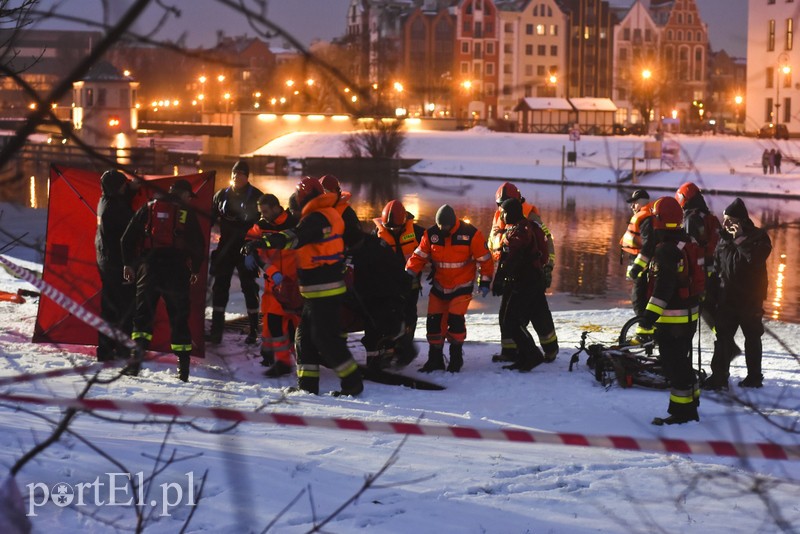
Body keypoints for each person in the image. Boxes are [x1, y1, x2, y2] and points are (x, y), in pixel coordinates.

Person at [256, 177, 363, 396]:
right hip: (319, 290)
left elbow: (294, 238)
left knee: (326, 340)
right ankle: (307, 386)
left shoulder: (316, 218)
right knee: (304, 338)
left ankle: (352, 383)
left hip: (323, 290)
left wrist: (263, 242)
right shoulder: (329, 213)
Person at [121, 180, 205, 382]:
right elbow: (198, 244)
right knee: (178, 317)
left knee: (143, 316)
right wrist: (195, 269)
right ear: (183, 194)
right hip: (176, 270)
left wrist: (128, 264)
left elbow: (126, 238)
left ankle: (135, 364)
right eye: (188, 196)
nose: (188, 200)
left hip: (148, 268)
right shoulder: (186, 213)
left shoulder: (149, 207)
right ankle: (183, 370)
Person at [634, 197, 702, 425]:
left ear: (659, 219)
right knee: (682, 361)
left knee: (674, 365)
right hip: (689, 315)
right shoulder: (686, 241)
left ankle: (682, 413)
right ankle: (691, 405)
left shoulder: (665, 250)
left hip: (673, 320)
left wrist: (648, 317)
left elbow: (664, 287)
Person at [406, 204, 494, 373]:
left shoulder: (470, 234)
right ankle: (435, 359)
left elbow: (485, 260)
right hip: (439, 286)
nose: (443, 230)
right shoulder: (431, 234)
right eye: (440, 227)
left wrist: (485, 282)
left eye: (445, 227)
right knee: (433, 323)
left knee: (455, 321)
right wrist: (409, 272)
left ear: (453, 223)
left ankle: (455, 358)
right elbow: (419, 256)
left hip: (461, 286)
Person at [703, 198, 772, 391]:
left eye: (729, 220)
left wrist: (740, 238)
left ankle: (754, 377)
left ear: (741, 220)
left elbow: (756, 259)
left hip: (750, 299)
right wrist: (711, 294)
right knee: (723, 337)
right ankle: (719, 377)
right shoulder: (723, 240)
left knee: (752, 337)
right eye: (724, 219)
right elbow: (717, 269)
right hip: (727, 298)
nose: (725, 224)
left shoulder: (759, 237)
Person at [488, 182, 558, 362]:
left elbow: (546, 240)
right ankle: (510, 351)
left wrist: (548, 266)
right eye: (500, 204)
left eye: (504, 203)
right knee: (509, 312)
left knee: (536, 312)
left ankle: (549, 350)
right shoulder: (500, 215)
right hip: (512, 271)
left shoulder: (530, 216)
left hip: (529, 271)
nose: (501, 208)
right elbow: (495, 242)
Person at [242, 194, 300, 377]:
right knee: (273, 322)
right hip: (274, 284)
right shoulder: (262, 226)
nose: (263, 215)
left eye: (266, 211)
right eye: (261, 212)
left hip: (295, 283)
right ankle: (277, 359)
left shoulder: (294, 224)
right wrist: (248, 251)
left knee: (299, 324)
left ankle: (303, 357)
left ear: (276, 208)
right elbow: (250, 241)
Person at [208, 160, 264, 344]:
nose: (236, 177)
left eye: (240, 174)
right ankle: (216, 331)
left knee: (249, 288)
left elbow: (264, 225)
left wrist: (257, 250)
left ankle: (254, 330)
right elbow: (208, 219)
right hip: (225, 248)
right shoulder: (220, 195)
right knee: (219, 289)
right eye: (234, 173)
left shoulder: (256, 197)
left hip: (246, 249)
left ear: (247, 177)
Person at [372, 199, 425, 366]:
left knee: (409, 315)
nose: (393, 230)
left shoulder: (418, 233)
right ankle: (388, 350)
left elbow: (431, 251)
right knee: (389, 316)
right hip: (389, 285)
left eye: (395, 227)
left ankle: (405, 347)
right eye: (390, 228)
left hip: (411, 283)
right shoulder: (377, 234)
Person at [346, 230, 409, 369]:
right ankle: (377, 361)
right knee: (375, 329)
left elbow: (394, 270)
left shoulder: (372, 249)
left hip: (384, 292)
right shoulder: (370, 246)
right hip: (372, 294)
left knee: (383, 327)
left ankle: (386, 358)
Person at [95, 169, 139, 361]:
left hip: (105, 261)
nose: (125, 187)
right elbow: (130, 232)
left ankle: (105, 349)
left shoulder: (104, 201)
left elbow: (120, 201)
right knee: (125, 307)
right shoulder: (116, 209)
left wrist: (131, 190)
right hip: (118, 264)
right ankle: (122, 349)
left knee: (109, 307)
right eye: (123, 184)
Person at [675, 182, 722, 331]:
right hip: (713, 269)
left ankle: (724, 340)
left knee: (703, 306)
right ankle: (723, 339)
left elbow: (692, 248)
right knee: (708, 305)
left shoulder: (691, 219)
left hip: (701, 271)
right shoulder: (708, 217)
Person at [619, 189, 655, 318]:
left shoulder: (646, 219)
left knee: (639, 299)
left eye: (634, 203)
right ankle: (645, 329)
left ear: (641, 202)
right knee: (638, 298)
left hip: (642, 266)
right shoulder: (643, 216)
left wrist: (637, 267)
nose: (632, 206)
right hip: (638, 262)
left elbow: (648, 246)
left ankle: (645, 331)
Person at [318, 174, 362, 250]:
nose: (322, 197)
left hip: (339, 254)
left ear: (335, 192)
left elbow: (356, 240)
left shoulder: (347, 213)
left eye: (325, 193)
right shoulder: (316, 210)